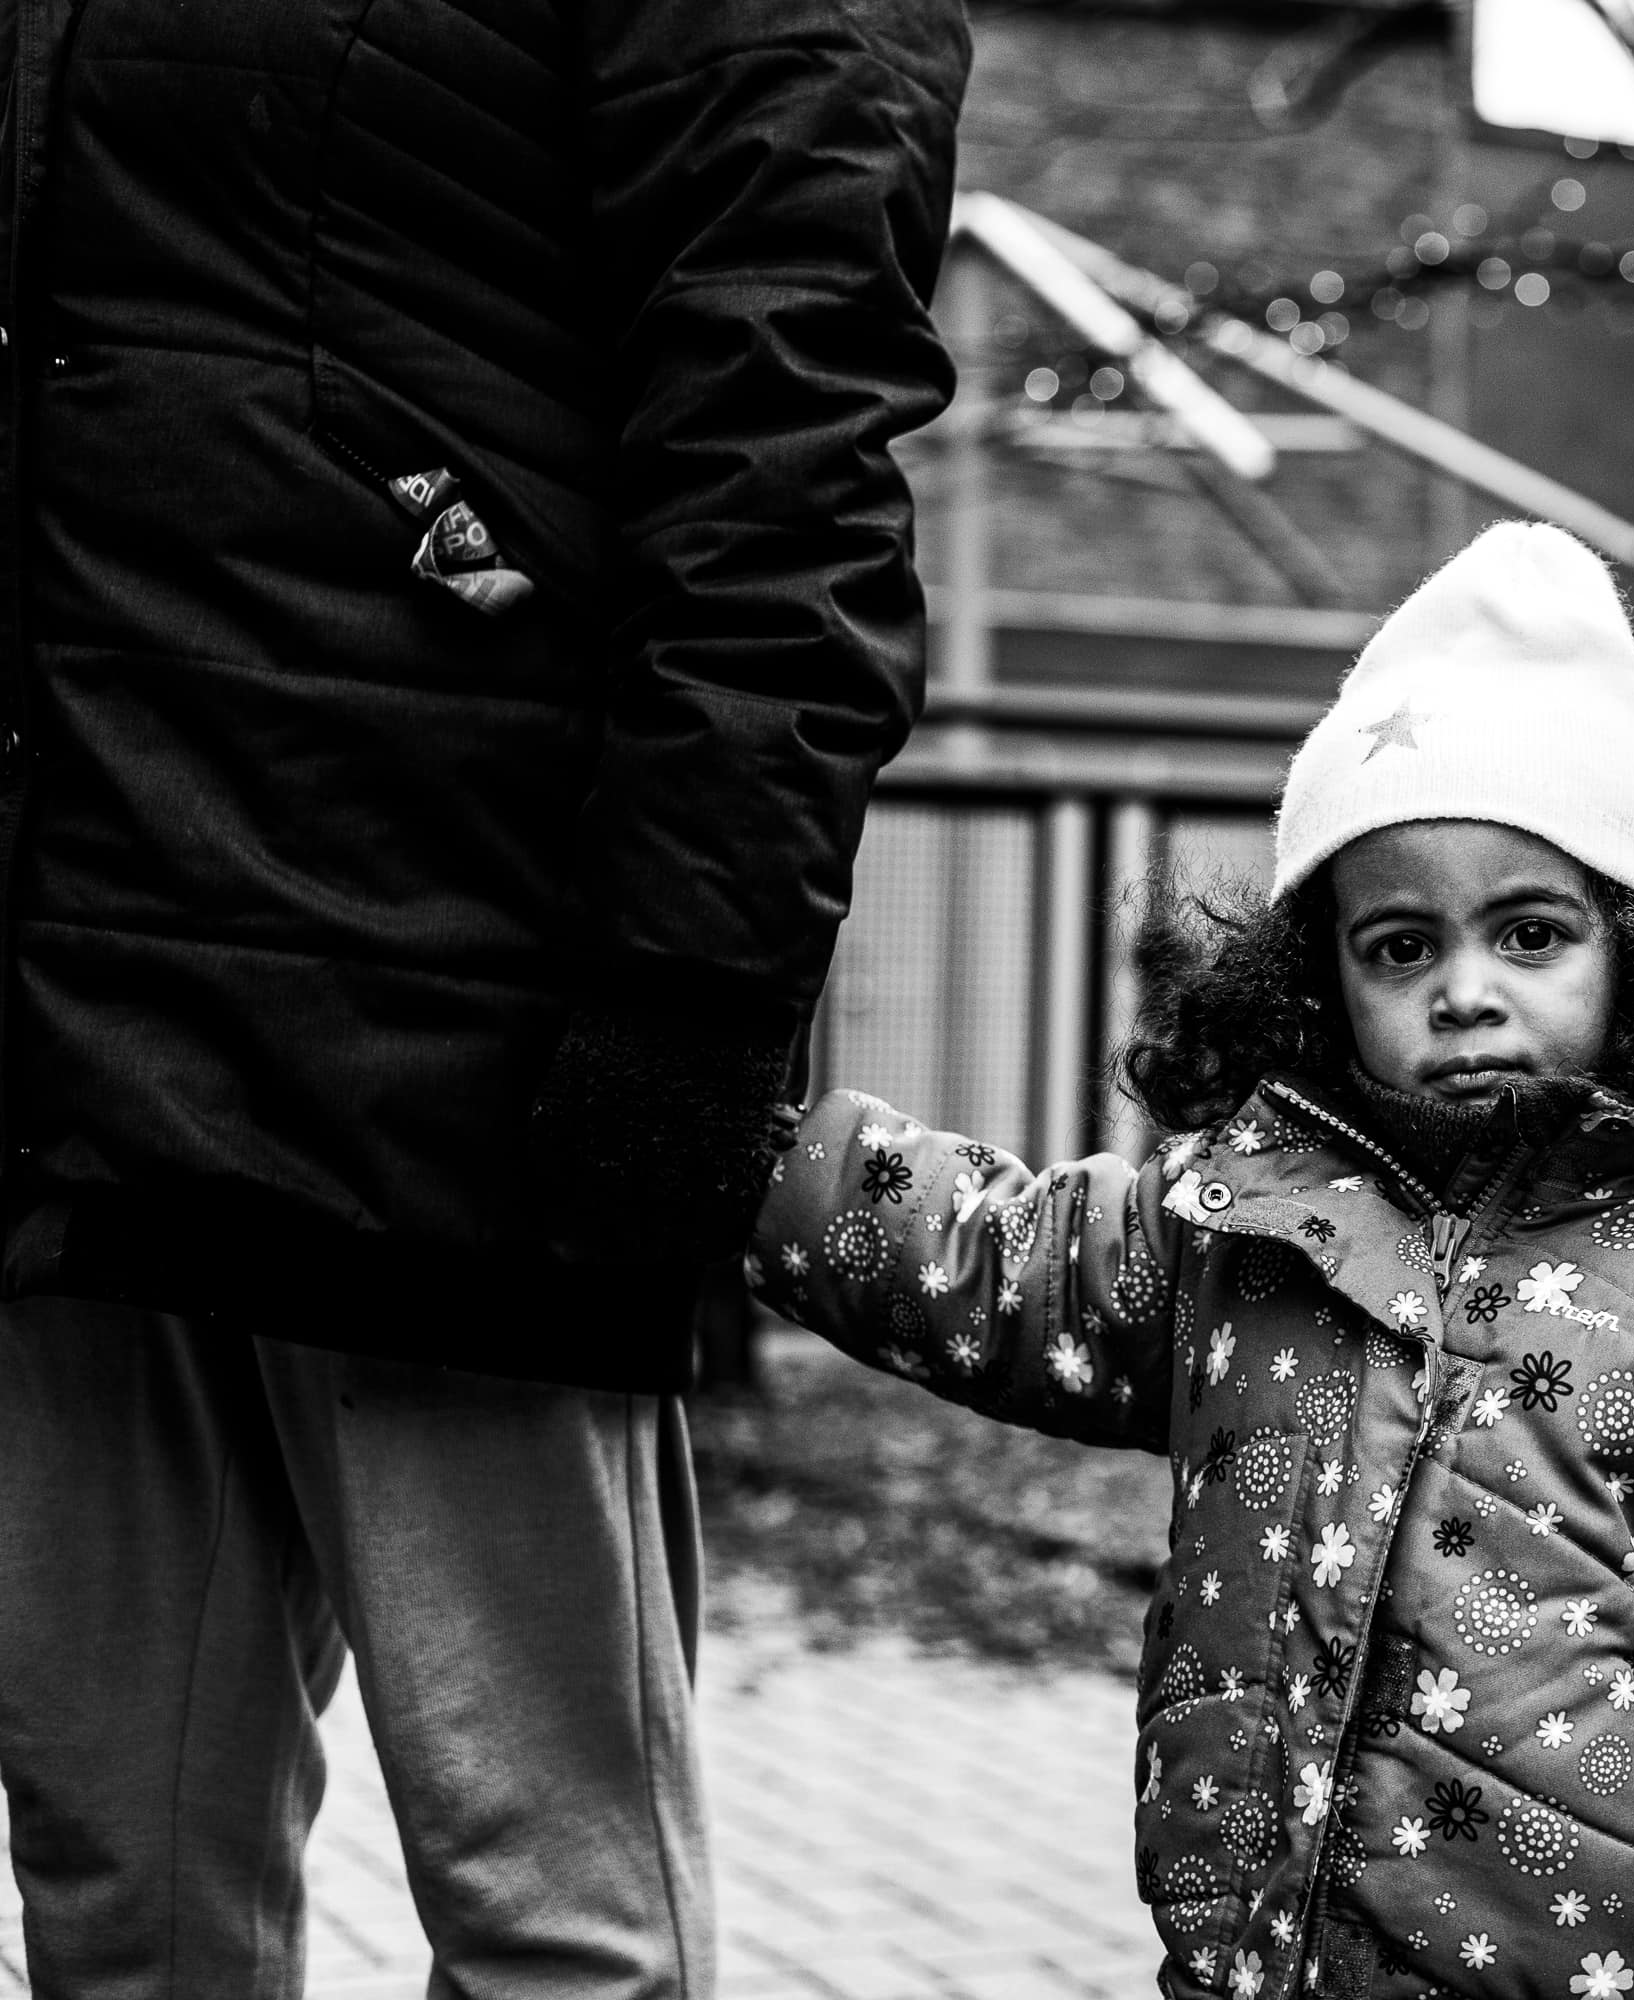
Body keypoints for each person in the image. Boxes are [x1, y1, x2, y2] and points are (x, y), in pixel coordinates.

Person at [0, 1, 967, 1994]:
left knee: (554, 1922)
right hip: (66, 1002)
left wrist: (688, 1009)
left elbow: (783, 446)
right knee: (118, 1898)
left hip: (452, 1034)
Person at [752, 522, 1634, 2000]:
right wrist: (737, 1150)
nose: (1464, 992)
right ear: (1323, 975)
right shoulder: (1248, 1229)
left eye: (1531, 933)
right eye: (1401, 946)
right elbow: (996, 1256)